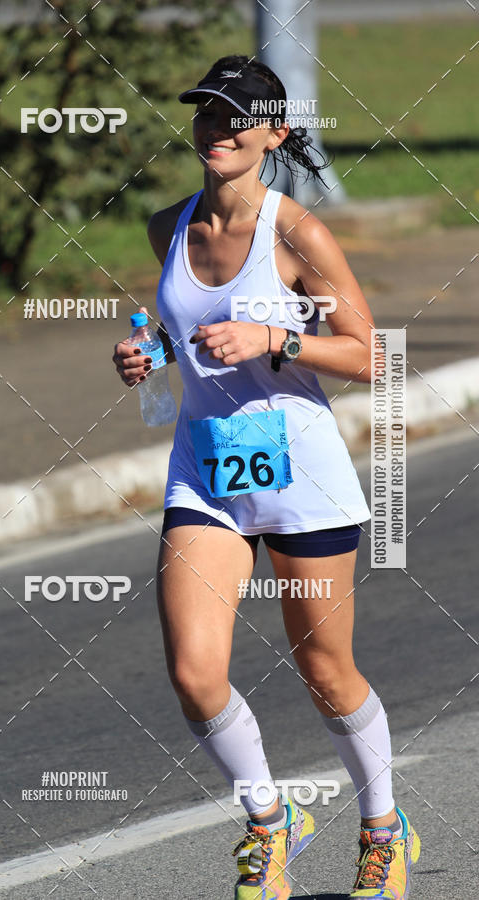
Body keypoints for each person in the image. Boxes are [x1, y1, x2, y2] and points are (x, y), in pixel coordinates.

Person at [112, 55, 420, 900]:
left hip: (302, 477)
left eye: (236, 117)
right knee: (194, 673)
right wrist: (152, 353)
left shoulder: (298, 234)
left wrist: (276, 340)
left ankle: (384, 831)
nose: (217, 130)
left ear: (274, 133)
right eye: (206, 115)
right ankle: (269, 824)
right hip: (206, 473)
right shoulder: (168, 224)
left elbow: (373, 356)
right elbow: (189, 328)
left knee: (324, 670)